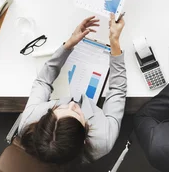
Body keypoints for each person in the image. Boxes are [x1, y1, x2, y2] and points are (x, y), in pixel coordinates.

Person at [18, 15, 126, 165]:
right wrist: (114, 43)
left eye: (57, 108)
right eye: (76, 112)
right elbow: (117, 91)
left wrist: (68, 45)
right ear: (84, 138)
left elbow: (42, 81)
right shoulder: (104, 138)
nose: (72, 103)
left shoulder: (30, 121)